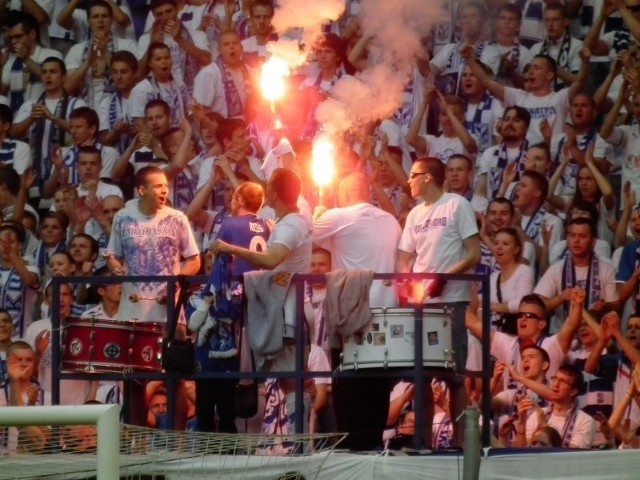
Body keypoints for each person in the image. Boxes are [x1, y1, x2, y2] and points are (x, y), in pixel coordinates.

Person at [211, 168, 312, 433]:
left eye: (269, 187)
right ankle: (296, 439)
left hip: (288, 307)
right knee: (288, 378)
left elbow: (271, 260)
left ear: (275, 193)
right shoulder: (285, 220)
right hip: (281, 306)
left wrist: (228, 248)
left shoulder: (291, 225)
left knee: (291, 379)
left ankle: (300, 442)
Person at [311, 171, 401, 450]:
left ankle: (350, 443)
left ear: (346, 194)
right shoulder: (391, 220)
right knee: (378, 380)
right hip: (387, 309)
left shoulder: (339, 216)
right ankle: (372, 441)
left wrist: (320, 209)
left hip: (353, 310)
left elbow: (310, 233)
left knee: (348, 378)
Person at [397, 157, 480, 446]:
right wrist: (407, 283)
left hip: (451, 302)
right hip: (422, 305)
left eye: (413, 175)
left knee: (454, 375)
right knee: (421, 377)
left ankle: (460, 443)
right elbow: (404, 257)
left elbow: (473, 253)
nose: (408, 180)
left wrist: (443, 276)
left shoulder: (457, 205)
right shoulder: (414, 215)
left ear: (428, 177)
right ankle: (422, 442)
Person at [104, 166, 200, 323]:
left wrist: (175, 283)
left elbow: (194, 260)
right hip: (131, 310)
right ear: (142, 191)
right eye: (158, 186)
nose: (164, 191)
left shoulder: (177, 218)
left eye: (165, 186)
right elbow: (111, 255)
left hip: (169, 312)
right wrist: (114, 266)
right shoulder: (122, 217)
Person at [534, 218, 619, 332]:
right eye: (572, 235)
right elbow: (537, 305)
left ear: (593, 242)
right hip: (562, 336)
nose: (576, 240)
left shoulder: (607, 269)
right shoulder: (556, 268)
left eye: (582, 236)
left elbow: (616, 307)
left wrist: (604, 308)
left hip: (596, 335)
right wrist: (561, 297)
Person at [63, 0, 138, 109]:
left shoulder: (127, 45)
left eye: (105, 16)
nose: (100, 20)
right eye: (95, 17)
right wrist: (88, 62)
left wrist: (105, 53)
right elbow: (67, 88)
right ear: (88, 21)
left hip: (119, 107)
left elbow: (135, 78)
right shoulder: (76, 50)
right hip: (85, 108)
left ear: (112, 20)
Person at [515, 363, 596, 448]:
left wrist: (543, 425)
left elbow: (569, 457)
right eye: (555, 378)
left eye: (562, 381)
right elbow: (522, 453)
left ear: (573, 391)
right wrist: (521, 422)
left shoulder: (585, 422)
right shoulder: (538, 414)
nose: (555, 385)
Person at [0, 13, 63, 112]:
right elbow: (1, 92)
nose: (13, 42)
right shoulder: (10, 59)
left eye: (18, 36)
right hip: (16, 120)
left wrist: (26, 59)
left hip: (43, 115)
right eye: (11, 38)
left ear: (32, 34)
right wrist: (0, 67)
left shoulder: (52, 55)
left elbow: (55, 82)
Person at [476, 106, 531, 201]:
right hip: (493, 210)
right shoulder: (489, 153)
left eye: (516, 120)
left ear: (526, 128)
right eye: (506, 119)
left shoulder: (532, 153)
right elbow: (481, 190)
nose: (510, 123)